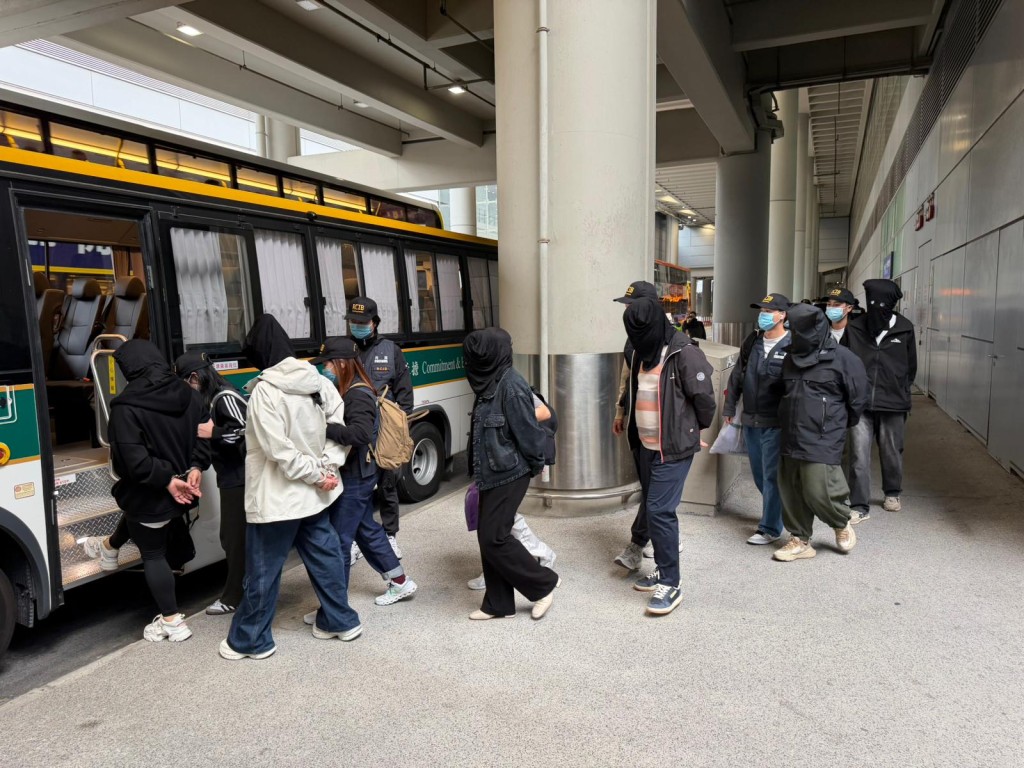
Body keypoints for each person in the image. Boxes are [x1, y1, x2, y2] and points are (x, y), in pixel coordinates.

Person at [220, 315, 360, 661]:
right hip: (315, 497)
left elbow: (277, 451)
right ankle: (340, 620)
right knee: (326, 557)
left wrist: (316, 473)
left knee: (263, 570)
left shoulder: (265, 391)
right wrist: (326, 471)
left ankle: (251, 640)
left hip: (277, 498)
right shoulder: (318, 382)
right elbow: (339, 431)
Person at [104, 340, 210, 642]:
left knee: (152, 553)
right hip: (183, 488)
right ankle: (109, 550)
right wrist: (195, 468)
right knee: (146, 528)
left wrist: (164, 480)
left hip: (152, 491)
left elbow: (133, 463)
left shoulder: (125, 407)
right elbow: (203, 434)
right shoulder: (189, 395)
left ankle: (172, 621)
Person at [306, 337, 418, 611]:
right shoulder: (352, 387)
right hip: (359, 473)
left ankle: (333, 608)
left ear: (343, 363)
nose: (326, 369)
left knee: (339, 542)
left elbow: (359, 434)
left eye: (329, 363)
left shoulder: (357, 393)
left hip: (358, 476)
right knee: (365, 529)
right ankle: (400, 581)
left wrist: (321, 428)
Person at [621, 298, 716, 615]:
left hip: (672, 447)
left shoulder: (683, 352)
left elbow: (704, 400)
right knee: (654, 508)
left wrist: (691, 431)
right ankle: (663, 568)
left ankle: (671, 584)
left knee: (659, 511)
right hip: (647, 445)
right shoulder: (640, 353)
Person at [463, 328, 559, 620]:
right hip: (491, 471)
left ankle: (543, 584)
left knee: (495, 538)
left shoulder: (511, 385)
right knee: (487, 536)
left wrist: (533, 466)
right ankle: (497, 603)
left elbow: (529, 433)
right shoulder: (487, 382)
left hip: (510, 471)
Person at [773, 304, 868, 562]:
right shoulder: (790, 355)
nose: (794, 334)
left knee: (819, 487)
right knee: (791, 488)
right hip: (791, 433)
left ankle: (840, 522)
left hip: (824, 433)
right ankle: (800, 539)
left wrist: (837, 424)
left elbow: (858, 399)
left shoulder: (844, 359)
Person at [610, 280, 681, 570]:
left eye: (631, 305)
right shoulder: (633, 339)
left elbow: (694, 396)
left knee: (653, 493)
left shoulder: (676, 342)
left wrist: (689, 430)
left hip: (664, 431)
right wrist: (620, 411)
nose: (627, 311)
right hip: (638, 426)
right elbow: (627, 379)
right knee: (650, 488)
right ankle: (660, 535)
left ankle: (638, 543)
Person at [174, 352, 247, 616]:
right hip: (232, 476)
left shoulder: (224, 398)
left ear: (195, 377)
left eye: (185, 382)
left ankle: (234, 597)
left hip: (241, 478)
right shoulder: (214, 397)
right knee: (233, 537)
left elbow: (249, 435)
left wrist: (213, 432)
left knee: (234, 539)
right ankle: (245, 591)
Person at [466, 392, 557, 591]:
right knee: (492, 521)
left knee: (502, 521)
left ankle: (541, 560)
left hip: (509, 465)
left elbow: (543, 412)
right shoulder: (486, 386)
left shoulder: (509, 384)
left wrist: (511, 420)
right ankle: (500, 571)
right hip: (491, 465)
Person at [844, 279, 917, 523]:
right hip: (860, 403)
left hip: (893, 402)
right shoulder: (854, 328)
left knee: (891, 450)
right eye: (871, 303)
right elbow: (843, 362)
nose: (875, 309)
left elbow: (910, 367)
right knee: (858, 454)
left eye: (881, 305)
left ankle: (892, 492)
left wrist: (899, 390)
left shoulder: (905, 328)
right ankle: (859, 504)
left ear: (891, 304)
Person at [722, 293, 793, 545]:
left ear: (782, 315)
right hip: (751, 418)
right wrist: (729, 407)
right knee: (759, 475)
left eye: (769, 310)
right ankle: (782, 511)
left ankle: (769, 528)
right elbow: (737, 376)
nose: (763, 314)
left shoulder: (793, 344)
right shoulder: (752, 341)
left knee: (772, 475)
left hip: (777, 421)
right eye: (761, 309)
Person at [347, 296, 413, 560]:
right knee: (355, 486)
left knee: (388, 484)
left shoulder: (390, 350)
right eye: (353, 321)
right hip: (356, 429)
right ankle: (354, 538)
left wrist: (400, 428)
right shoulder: (346, 350)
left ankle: (390, 535)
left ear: (374, 323)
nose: (358, 326)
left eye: (362, 322)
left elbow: (405, 393)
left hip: (385, 430)